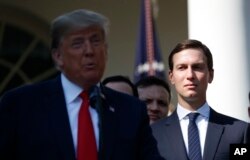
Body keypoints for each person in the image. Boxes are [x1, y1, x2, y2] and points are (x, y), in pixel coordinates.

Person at [0, 9, 164, 160]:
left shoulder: (130, 110)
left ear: (106, 50)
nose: (89, 51)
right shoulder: (21, 106)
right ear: (58, 56)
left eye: (96, 41)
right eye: (78, 43)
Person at [151, 39, 250, 160]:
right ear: (171, 77)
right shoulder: (152, 134)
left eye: (197, 67)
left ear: (211, 75)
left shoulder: (239, 132)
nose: (190, 75)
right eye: (182, 67)